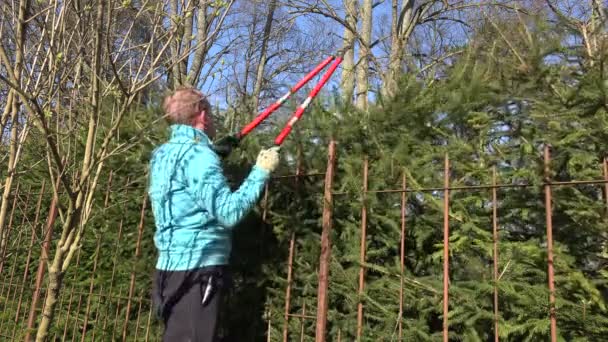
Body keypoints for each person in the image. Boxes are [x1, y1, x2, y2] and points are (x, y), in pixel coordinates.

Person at [147, 87, 280, 341]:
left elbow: (185, 188)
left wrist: (215, 151)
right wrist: (260, 172)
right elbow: (228, 212)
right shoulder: (199, 157)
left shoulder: (161, 154)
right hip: (198, 270)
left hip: (168, 272)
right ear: (202, 114)